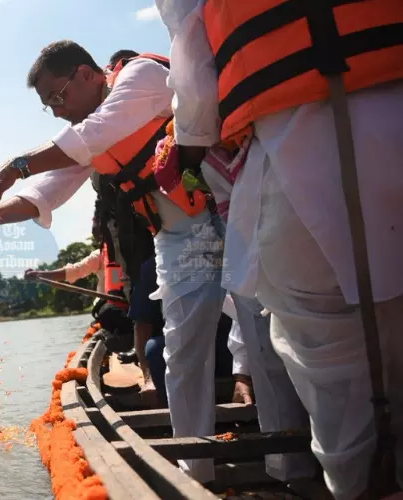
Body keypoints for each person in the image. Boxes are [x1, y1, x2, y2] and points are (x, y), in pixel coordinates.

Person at [156, 1, 403, 498]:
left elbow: (199, 99)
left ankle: (350, 482)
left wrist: (192, 154)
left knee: (341, 401)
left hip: (298, 167)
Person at [0, 40, 228, 484]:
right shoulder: (85, 133)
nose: (58, 111)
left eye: (58, 97)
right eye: (48, 106)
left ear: (88, 74)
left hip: (228, 206)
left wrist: (12, 166)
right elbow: (49, 189)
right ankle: (195, 475)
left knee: (265, 339)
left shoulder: (140, 76)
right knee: (181, 354)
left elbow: (92, 135)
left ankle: (291, 469)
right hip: (180, 236)